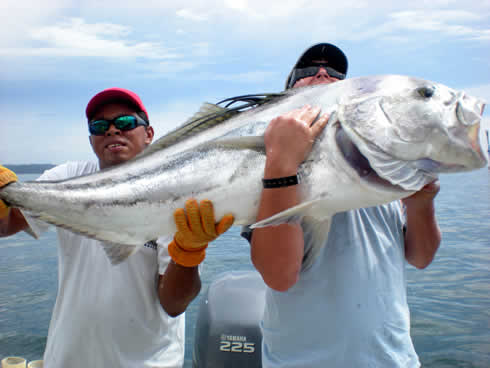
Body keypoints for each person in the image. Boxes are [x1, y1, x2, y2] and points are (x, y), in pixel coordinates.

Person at [0, 87, 234, 368]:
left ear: (149, 134)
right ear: (91, 140)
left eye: (125, 122)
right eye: (100, 126)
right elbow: (7, 225)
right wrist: (5, 194)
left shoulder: (180, 192)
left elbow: (174, 304)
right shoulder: (67, 177)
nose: (112, 131)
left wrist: (189, 250)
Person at [244, 43, 441, 367]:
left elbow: (420, 257)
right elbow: (280, 275)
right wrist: (280, 166)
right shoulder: (263, 166)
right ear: (287, 92)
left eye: (335, 73)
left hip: (394, 359)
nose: (323, 74)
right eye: (309, 71)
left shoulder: (385, 165)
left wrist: (421, 206)